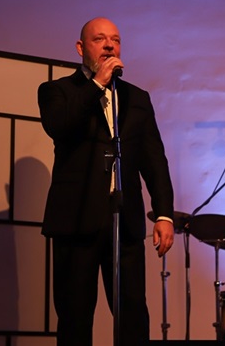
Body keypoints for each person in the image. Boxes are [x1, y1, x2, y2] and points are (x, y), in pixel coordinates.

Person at [38, 17, 175, 346]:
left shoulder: (137, 97)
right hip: (76, 221)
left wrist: (164, 214)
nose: (110, 45)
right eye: (99, 39)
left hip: (124, 222)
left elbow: (154, 159)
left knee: (132, 316)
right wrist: (97, 84)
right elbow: (60, 126)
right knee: (75, 318)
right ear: (81, 47)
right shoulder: (57, 91)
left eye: (115, 40)